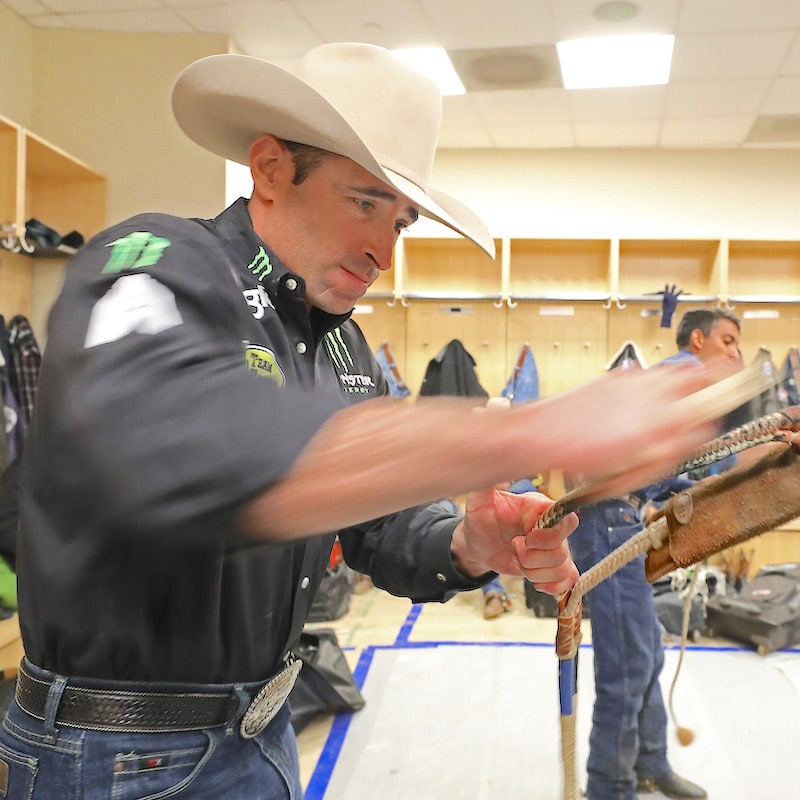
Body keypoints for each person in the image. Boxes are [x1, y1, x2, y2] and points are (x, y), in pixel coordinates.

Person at [3, 43, 717, 799]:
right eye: (365, 202)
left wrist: (466, 540)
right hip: (112, 754)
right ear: (271, 167)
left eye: (401, 221)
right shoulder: (154, 265)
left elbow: (381, 526)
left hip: (261, 731)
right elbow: (207, 451)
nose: (383, 250)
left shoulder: (341, 341)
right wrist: (530, 431)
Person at [569, 307, 741, 800]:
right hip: (608, 522)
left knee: (646, 655)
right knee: (627, 666)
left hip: (620, 516)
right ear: (699, 340)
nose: (734, 353)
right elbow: (716, 460)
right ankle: (608, 786)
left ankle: (648, 762)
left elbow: (689, 465)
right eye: (728, 341)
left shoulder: (680, 388)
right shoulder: (686, 372)